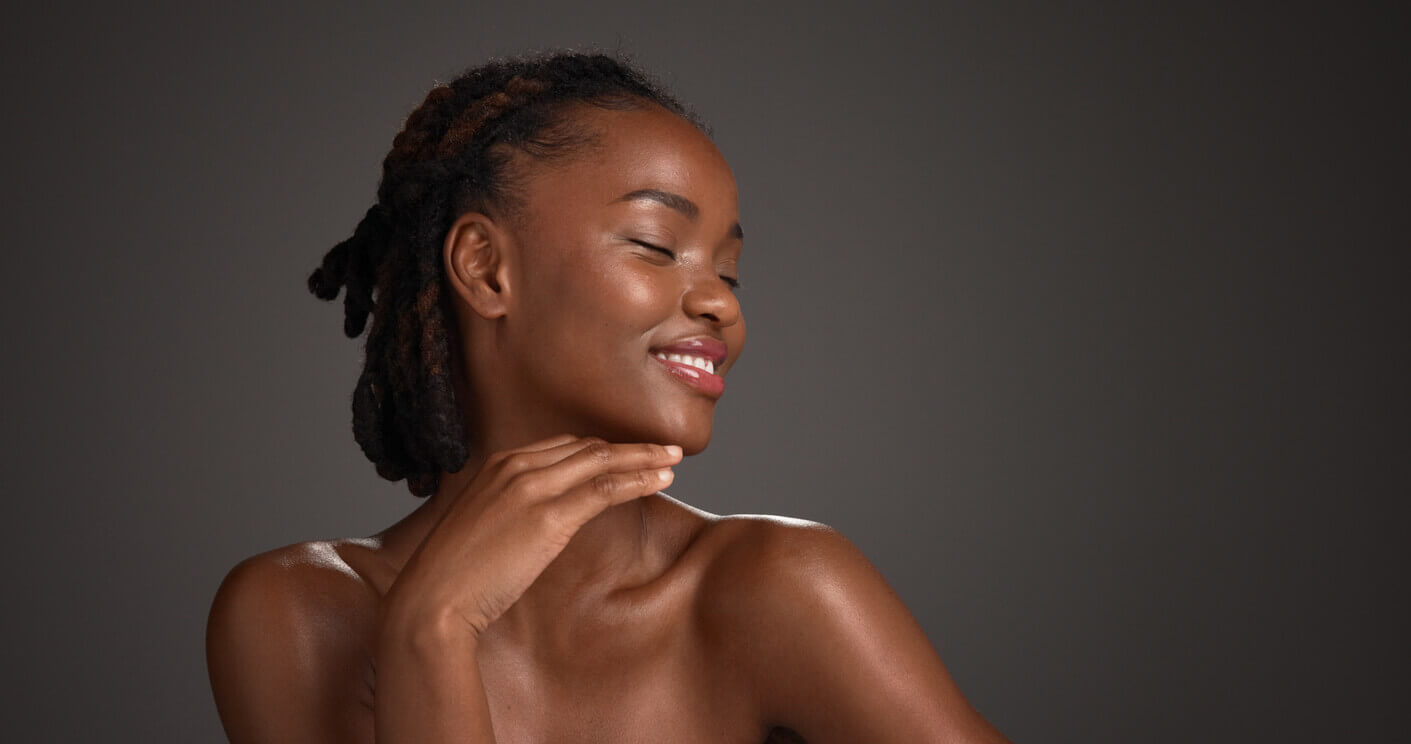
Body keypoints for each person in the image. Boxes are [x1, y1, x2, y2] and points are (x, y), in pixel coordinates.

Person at [205, 50, 1010, 744]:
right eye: (656, 246)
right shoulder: (299, 614)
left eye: (727, 272)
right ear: (486, 268)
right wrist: (433, 627)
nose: (719, 302)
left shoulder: (778, 588)